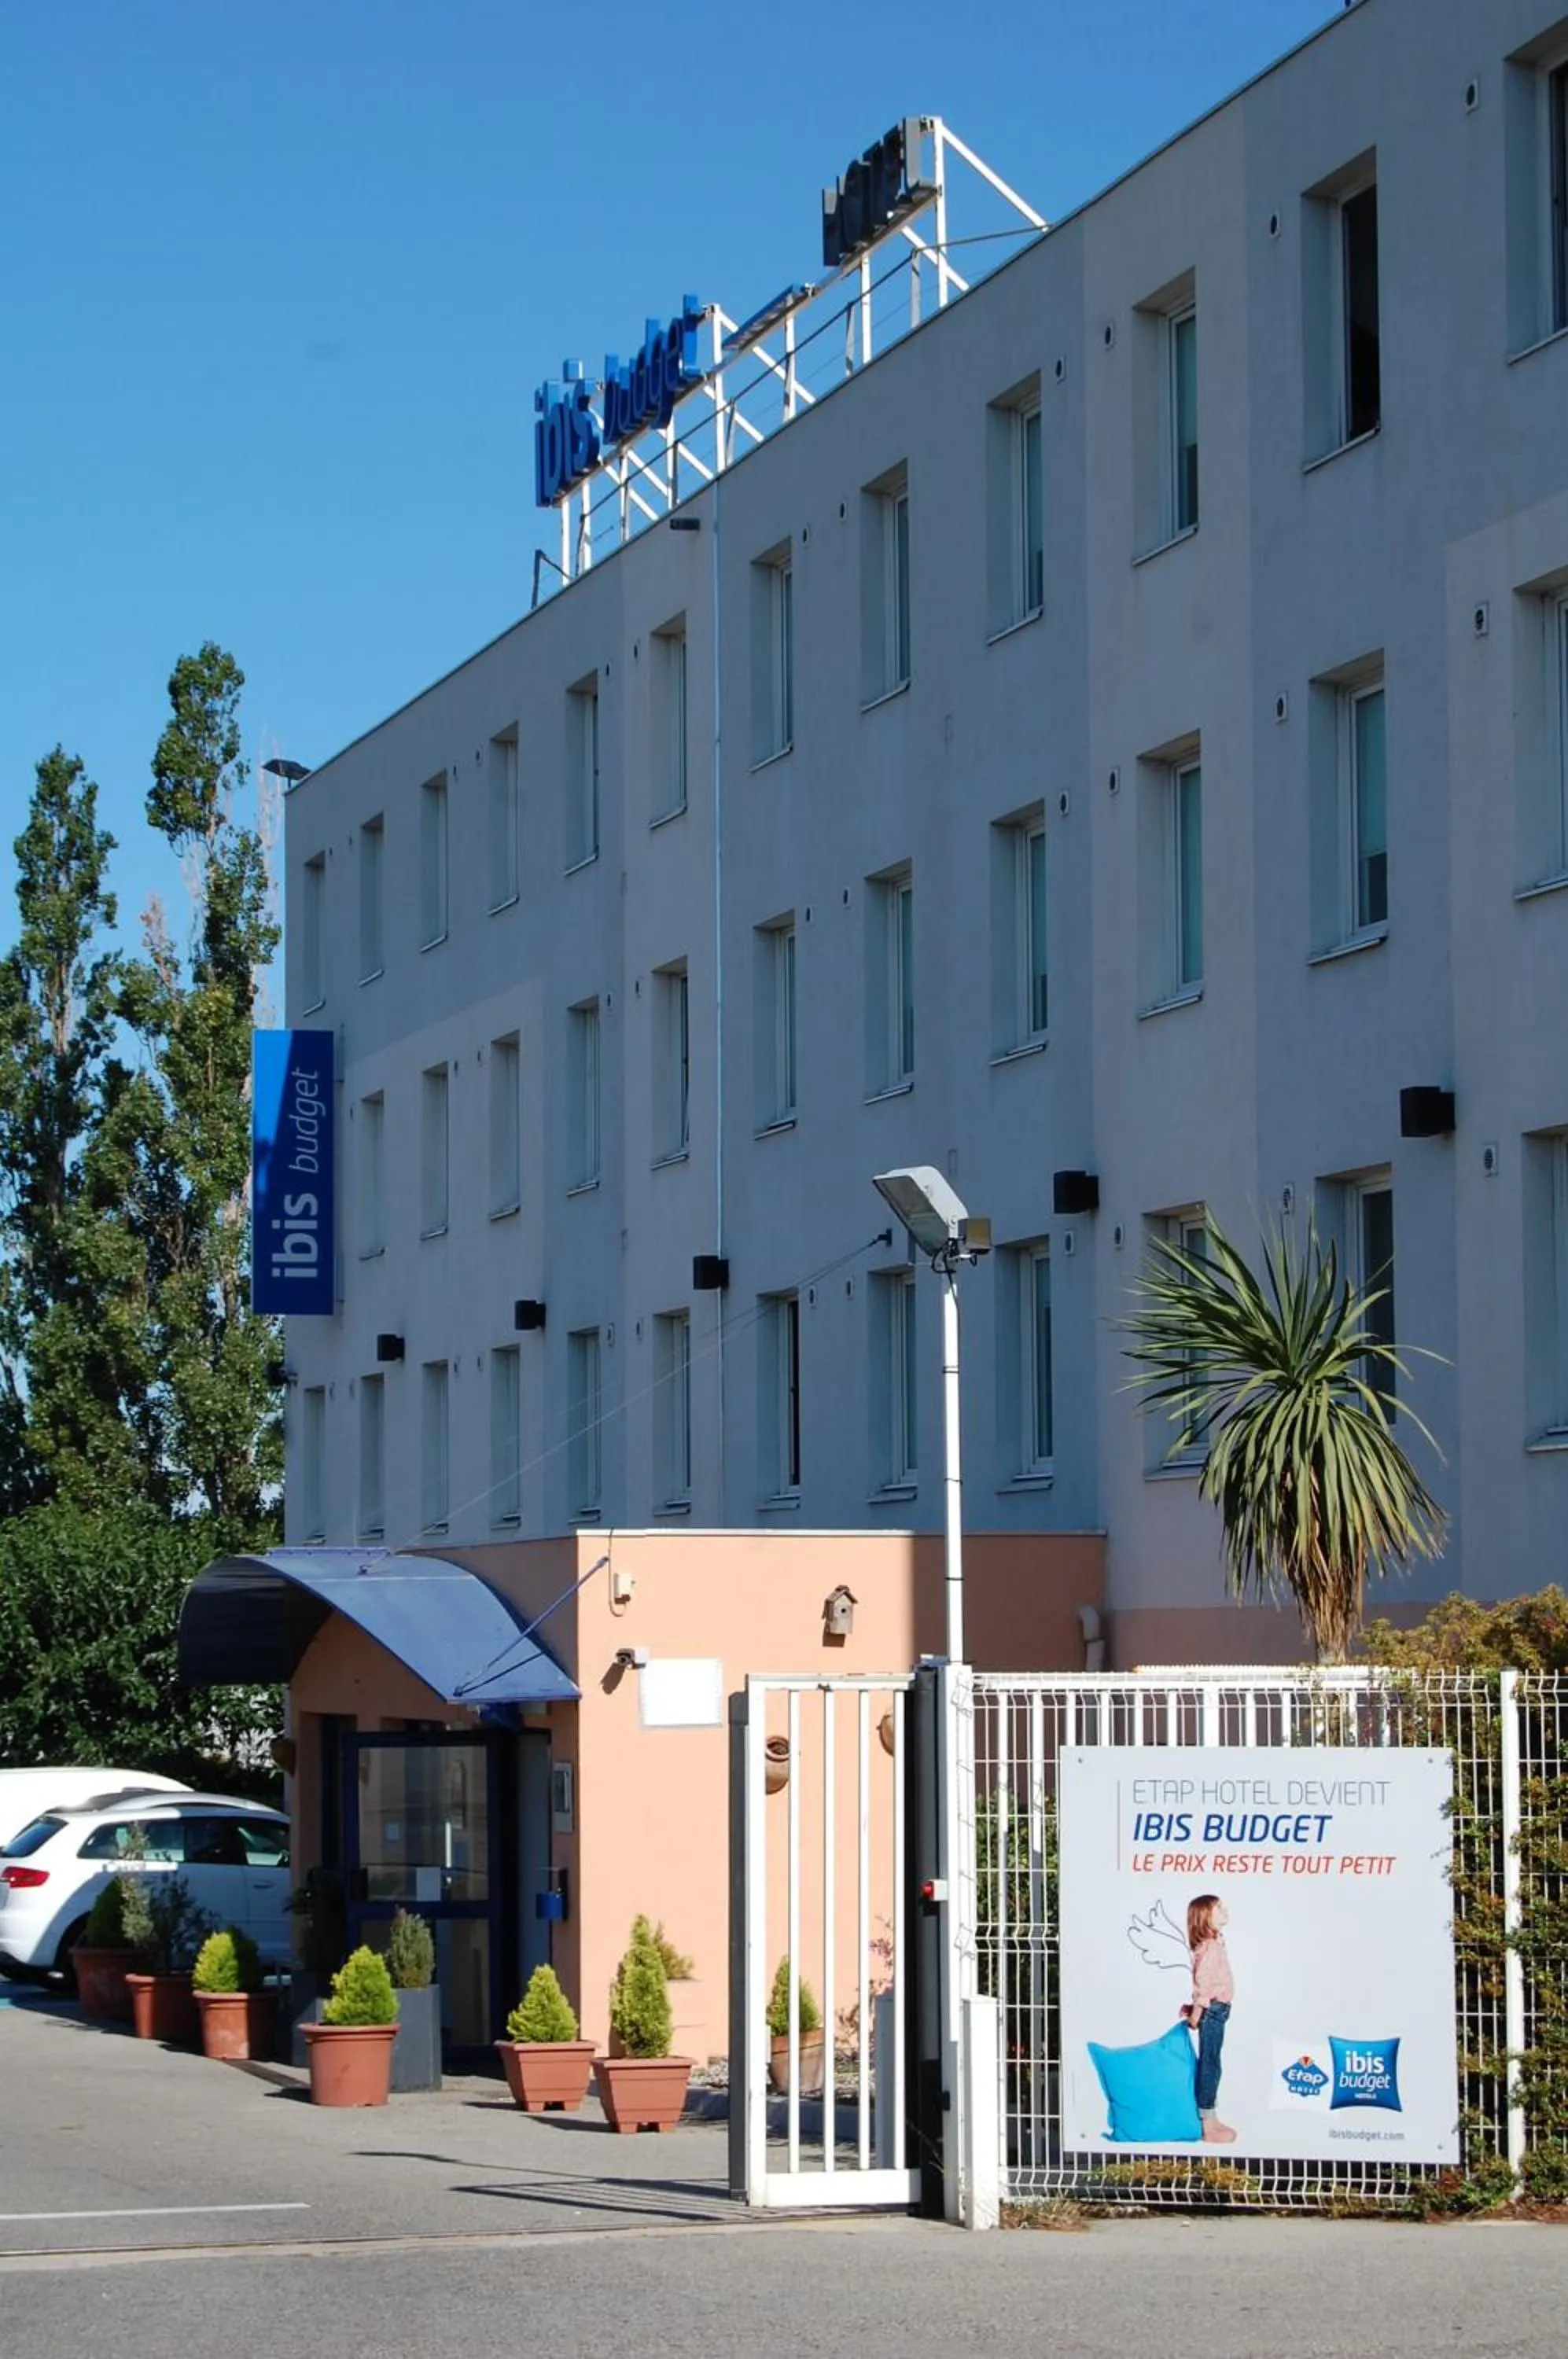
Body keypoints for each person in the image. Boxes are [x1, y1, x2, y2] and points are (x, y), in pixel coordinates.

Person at [1179, 1893, 1236, 2144]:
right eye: (1219, 1908)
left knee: (1212, 2063)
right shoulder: (1211, 1948)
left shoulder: (1215, 1944)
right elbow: (1203, 1987)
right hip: (1213, 2011)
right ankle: (1207, 2123)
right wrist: (1196, 2015)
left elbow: (1208, 1983)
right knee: (1211, 2065)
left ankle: (1210, 2118)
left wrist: (1195, 2009)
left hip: (1215, 2010)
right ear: (1205, 1917)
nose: (1225, 1910)